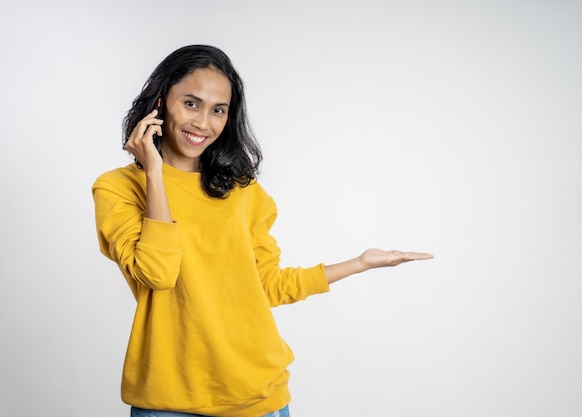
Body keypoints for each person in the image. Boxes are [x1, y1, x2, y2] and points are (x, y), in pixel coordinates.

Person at [92, 44, 433, 417]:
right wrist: (154, 173)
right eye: (191, 104)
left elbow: (266, 285)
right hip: (169, 398)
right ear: (160, 104)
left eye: (218, 110)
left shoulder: (241, 191)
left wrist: (360, 263)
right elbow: (157, 275)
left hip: (258, 395)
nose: (203, 123)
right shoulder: (118, 188)